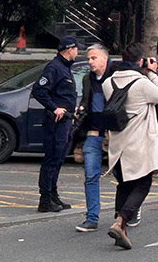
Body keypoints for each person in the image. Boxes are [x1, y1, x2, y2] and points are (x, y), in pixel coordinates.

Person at [102, 43, 158, 249]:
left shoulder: (108, 83)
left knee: (124, 183)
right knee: (143, 184)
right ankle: (121, 221)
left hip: (118, 143)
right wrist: (151, 72)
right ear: (140, 61)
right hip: (138, 143)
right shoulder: (141, 83)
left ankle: (120, 225)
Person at [32, 36, 79, 213]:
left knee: (59, 159)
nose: (77, 52)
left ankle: (53, 195)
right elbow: (39, 90)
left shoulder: (65, 68)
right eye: (76, 49)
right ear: (69, 50)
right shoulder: (54, 68)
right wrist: (54, 108)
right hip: (55, 122)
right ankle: (44, 199)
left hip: (66, 120)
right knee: (51, 159)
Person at [72, 44, 113, 232]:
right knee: (90, 175)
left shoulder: (117, 74)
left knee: (124, 177)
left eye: (93, 58)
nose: (90, 62)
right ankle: (92, 218)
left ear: (105, 58)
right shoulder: (88, 79)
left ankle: (127, 212)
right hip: (93, 134)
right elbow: (87, 102)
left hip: (115, 135)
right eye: (89, 58)